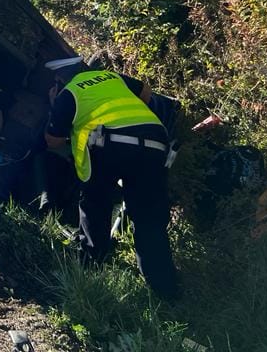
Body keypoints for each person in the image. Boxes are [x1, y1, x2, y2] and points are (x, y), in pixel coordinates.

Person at [43, 56, 179, 300]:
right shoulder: (112, 77)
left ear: (61, 79)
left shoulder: (68, 94)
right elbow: (146, 91)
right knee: (149, 219)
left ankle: (89, 268)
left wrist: (55, 106)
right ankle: (166, 293)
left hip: (110, 144)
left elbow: (53, 141)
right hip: (156, 141)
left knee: (96, 204)